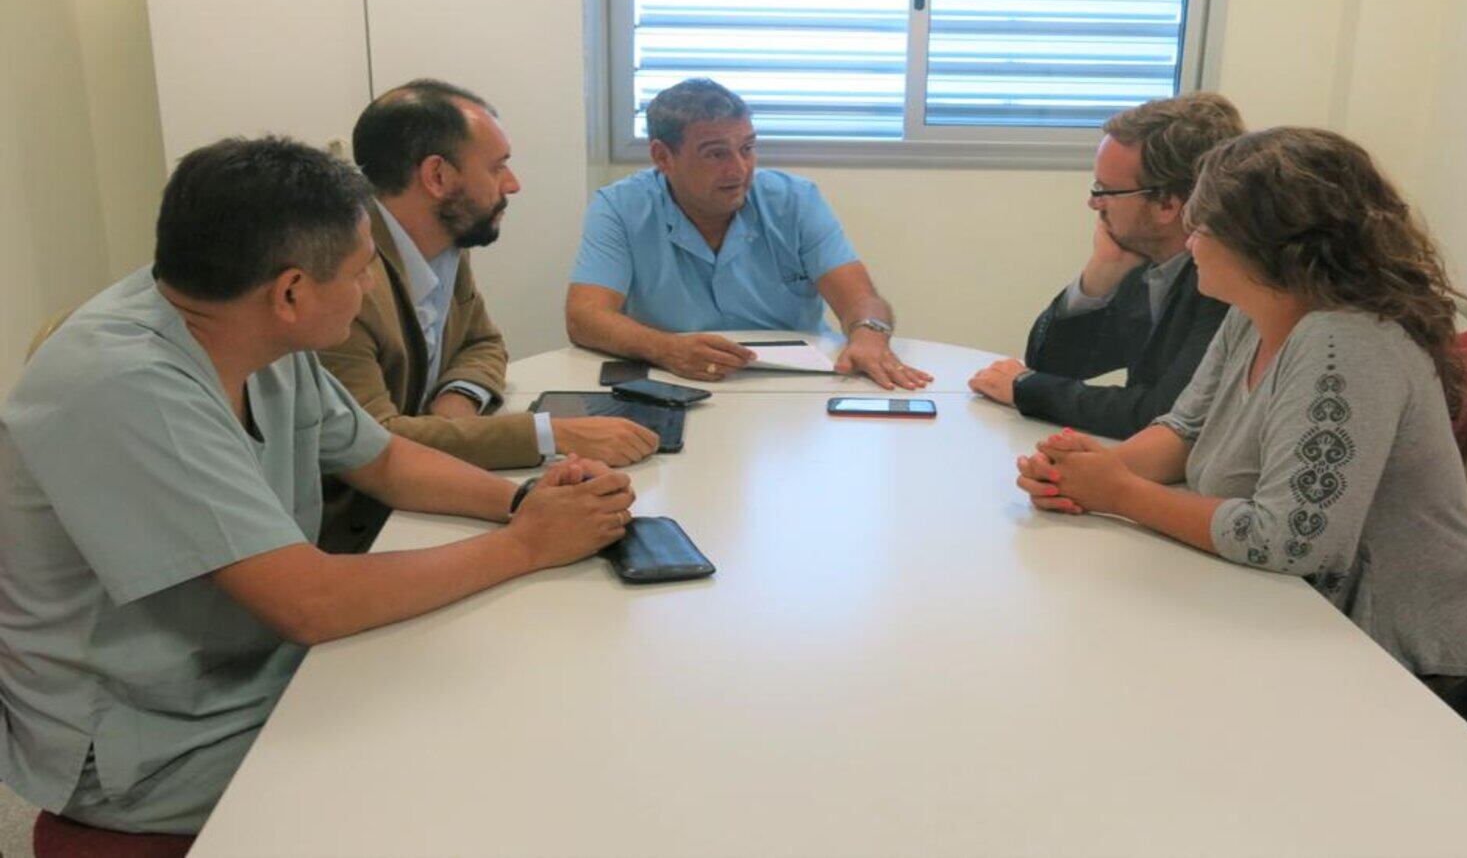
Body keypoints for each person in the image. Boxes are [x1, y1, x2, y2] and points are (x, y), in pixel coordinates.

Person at [0, 137, 635, 836]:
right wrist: (526, 546)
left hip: (250, 666)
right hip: (150, 737)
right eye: (364, 271)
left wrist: (522, 501)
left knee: (497, 693)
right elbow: (310, 602)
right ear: (293, 292)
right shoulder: (124, 383)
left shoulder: (243, 322)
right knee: (474, 775)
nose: (370, 289)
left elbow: (384, 460)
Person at [1014, 127, 1467, 680]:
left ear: (1264, 246)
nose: (1191, 243)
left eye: (1203, 228)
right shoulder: (1252, 310)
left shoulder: (1345, 342)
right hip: (1295, 614)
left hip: (1402, 653)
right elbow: (1185, 430)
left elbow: (1290, 540)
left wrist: (1121, 493)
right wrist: (1093, 472)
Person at [320, 79, 656, 552]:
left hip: (424, 494)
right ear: (437, 177)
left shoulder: (440, 240)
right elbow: (376, 443)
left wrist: (454, 410)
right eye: (498, 167)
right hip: (362, 530)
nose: (512, 184)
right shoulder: (344, 279)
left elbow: (483, 344)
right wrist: (550, 433)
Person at [565, 77, 931, 390]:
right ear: (663, 157)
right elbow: (585, 316)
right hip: (675, 381)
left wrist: (869, 334)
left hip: (793, 385)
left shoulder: (795, 200)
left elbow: (861, 300)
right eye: (716, 154)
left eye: (747, 148)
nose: (739, 169)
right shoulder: (618, 207)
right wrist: (664, 348)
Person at [968, 93, 1242, 438]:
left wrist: (1026, 388)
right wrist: (1099, 275)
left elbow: (1161, 413)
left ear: (1167, 204)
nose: (1093, 202)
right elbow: (1050, 364)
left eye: (1105, 190)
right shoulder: (1144, 260)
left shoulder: (1227, 282)